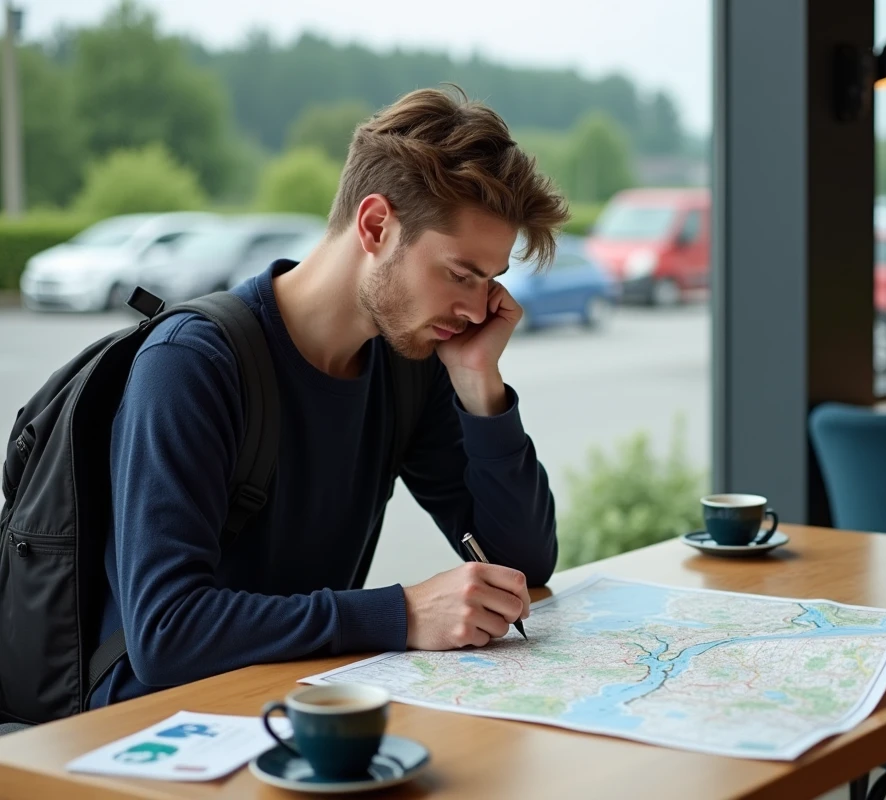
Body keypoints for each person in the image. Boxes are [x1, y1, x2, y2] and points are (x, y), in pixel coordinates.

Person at [88, 85, 571, 708]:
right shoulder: (192, 364)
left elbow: (523, 566)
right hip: (154, 728)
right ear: (375, 226)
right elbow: (165, 633)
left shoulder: (408, 366)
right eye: (460, 274)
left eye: (490, 282)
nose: (478, 309)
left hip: (299, 705)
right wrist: (400, 614)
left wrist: (481, 385)